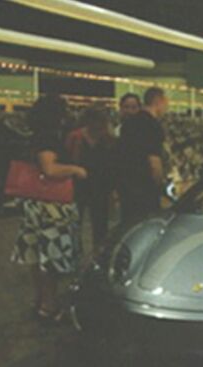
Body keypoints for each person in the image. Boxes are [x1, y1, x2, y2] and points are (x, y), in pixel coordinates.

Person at [11, 95, 87, 323]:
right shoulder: (48, 138)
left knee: (37, 256)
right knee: (51, 258)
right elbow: (50, 169)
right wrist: (75, 169)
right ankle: (50, 306)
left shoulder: (35, 136)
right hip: (51, 208)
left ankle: (40, 301)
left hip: (36, 205)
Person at [66, 106, 115, 249]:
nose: (98, 126)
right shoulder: (75, 137)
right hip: (78, 187)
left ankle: (97, 254)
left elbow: (111, 165)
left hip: (100, 187)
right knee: (76, 223)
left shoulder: (107, 138)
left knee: (100, 226)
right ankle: (75, 252)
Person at [117, 87, 167, 224]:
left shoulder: (127, 124)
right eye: (165, 104)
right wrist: (160, 185)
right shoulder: (153, 126)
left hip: (127, 187)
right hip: (145, 189)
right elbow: (154, 162)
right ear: (158, 102)